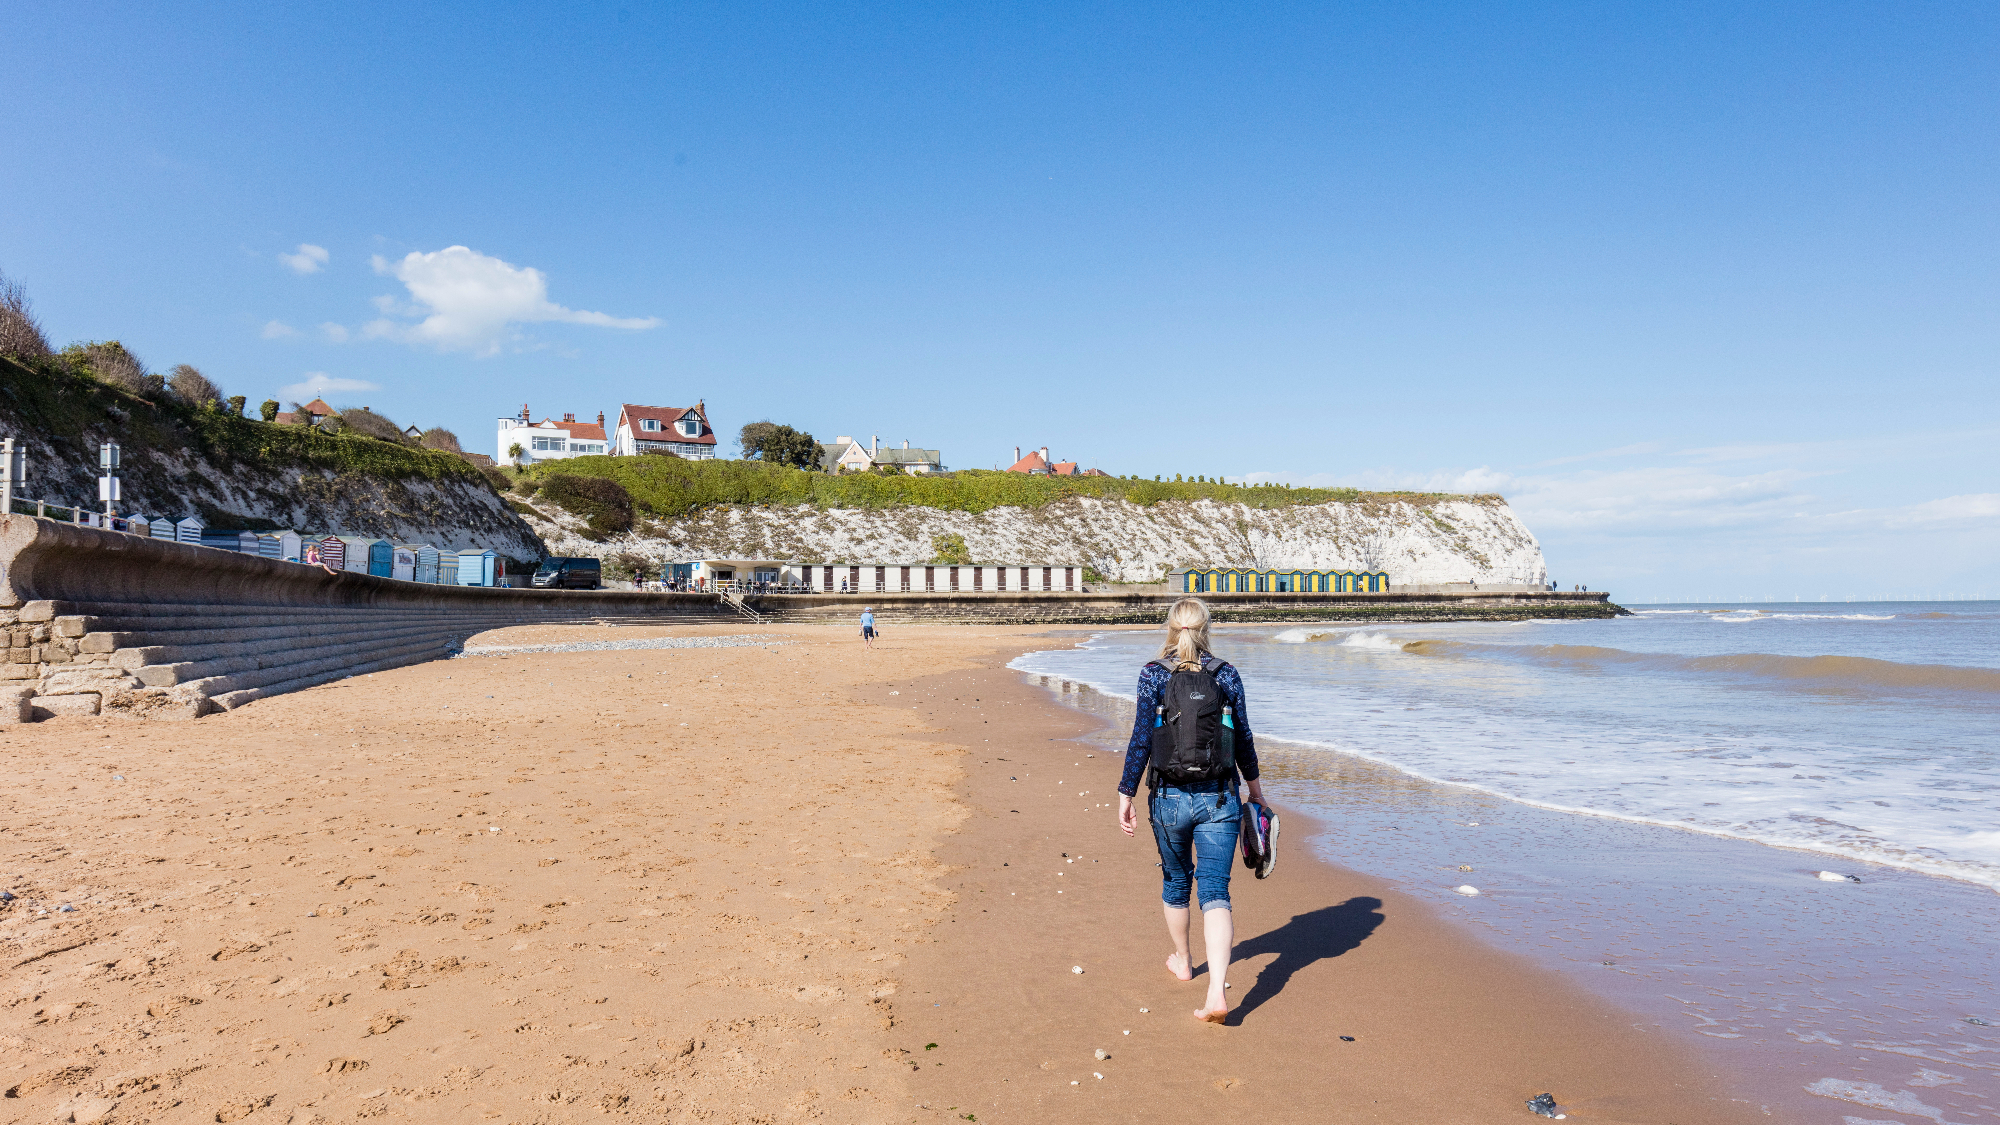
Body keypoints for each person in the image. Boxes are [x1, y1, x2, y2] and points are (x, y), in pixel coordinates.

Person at [1117, 597, 1263, 1025]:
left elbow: (1142, 739)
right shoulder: (1227, 674)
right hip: (1219, 796)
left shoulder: (1152, 675)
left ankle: (1183, 961)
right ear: (1205, 629)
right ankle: (1217, 991)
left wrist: (1126, 792)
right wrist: (1256, 793)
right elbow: (1244, 740)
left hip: (1168, 799)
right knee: (1215, 892)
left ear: (1170, 627)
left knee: (1176, 880)